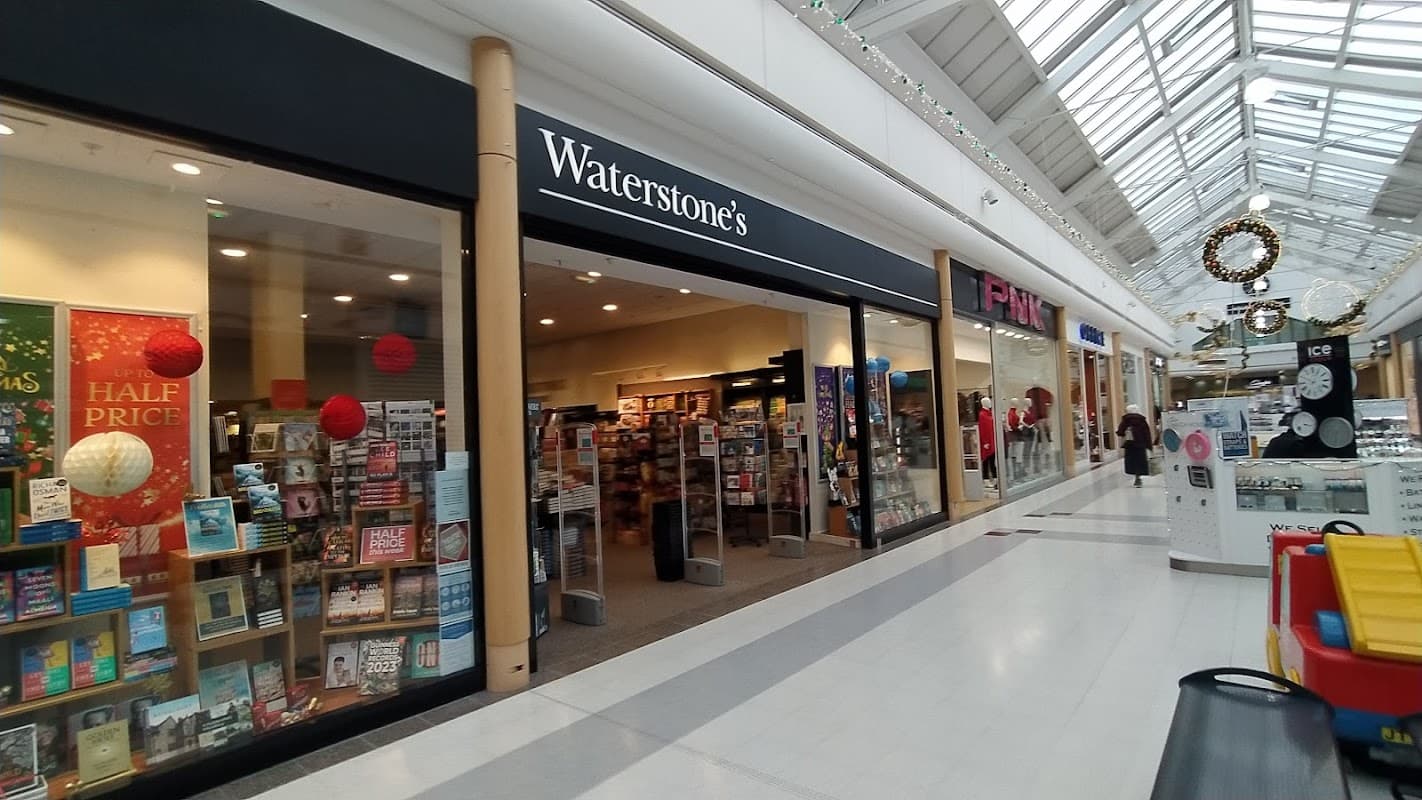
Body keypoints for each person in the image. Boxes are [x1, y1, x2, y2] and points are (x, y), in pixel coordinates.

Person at [1116, 403, 1152, 487]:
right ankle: (1138, 477)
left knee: (1132, 461)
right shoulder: (1142, 420)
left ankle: (1136, 477)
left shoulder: (1126, 420)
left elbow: (1120, 431)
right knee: (1140, 461)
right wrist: (1149, 446)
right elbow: (1147, 434)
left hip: (1130, 445)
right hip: (1140, 444)